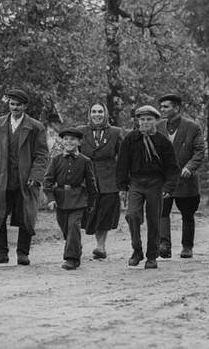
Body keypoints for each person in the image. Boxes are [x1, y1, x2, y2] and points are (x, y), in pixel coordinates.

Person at [0, 89, 50, 266]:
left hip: (25, 180)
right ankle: (0, 252)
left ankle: (22, 253)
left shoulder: (35, 127)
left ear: (25, 106)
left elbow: (42, 155)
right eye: (12, 104)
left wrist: (35, 176)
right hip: (3, 179)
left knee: (26, 216)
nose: (15, 108)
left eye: (18, 105)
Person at [116, 105, 179, 269]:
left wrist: (168, 187)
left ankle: (152, 256)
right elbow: (122, 164)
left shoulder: (163, 141)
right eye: (142, 119)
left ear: (156, 121)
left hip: (155, 183)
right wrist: (122, 187)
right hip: (135, 182)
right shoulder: (130, 139)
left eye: (149, 119)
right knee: (132, 215)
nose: (145, 122)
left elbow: (172, 167)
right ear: (138, 121)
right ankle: (137, 250)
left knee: (154, 220)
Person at [156, 94, 205, 259]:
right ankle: (164, 245)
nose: (162, 110)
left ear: (176, 108)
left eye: (166, 106)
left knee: (187, 213)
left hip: (186, 180)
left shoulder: (193, 128)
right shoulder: (158, 127)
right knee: (162, 211)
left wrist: (190, 167)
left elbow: (199, 151)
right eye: (161, 107)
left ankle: (187, 246)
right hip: (164, 179)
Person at [43, 128, 99, 270]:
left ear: (79, 142)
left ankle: (72, 259)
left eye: (72, 139)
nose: (69, 142)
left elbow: (91, 183)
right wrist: (51, 198)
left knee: (74, 225)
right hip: (60, 199)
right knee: (66, 229)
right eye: (66, 139)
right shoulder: (56, 160)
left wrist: (91, 203)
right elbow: (48, 181)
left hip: (78, 199)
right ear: (62, 142)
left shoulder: (85, 161)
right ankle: (75, 246)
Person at [76, 102, 123, 260]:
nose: (97, 115)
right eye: (94, 112)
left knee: (104, 212)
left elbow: (123, 158)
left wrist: (123, 181)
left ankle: (100, 246)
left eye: (100, 112)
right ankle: (76, 244)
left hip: (108, 179)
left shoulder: (115, 132)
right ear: (89, 114)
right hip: (85, 178)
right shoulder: (80, 131)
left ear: (106, 114)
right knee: (81, 212)